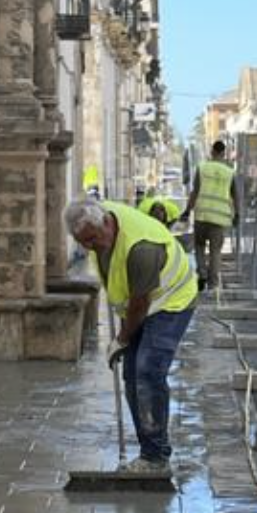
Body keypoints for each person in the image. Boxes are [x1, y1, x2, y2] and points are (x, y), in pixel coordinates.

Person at [65, 198, 198, 472]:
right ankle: (148, 449)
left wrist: (121, 340)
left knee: (148, 370)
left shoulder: (141, 249)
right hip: (143, 305)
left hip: (172, 300)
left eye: (91, 239)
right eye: (83, 242)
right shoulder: (101, 225)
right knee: (131, 376)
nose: (88, 247)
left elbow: (140, 304)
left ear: (105, 224)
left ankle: (156, 456)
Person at [186, 140, 242, 289]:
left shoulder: (202, 168)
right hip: (218, 219)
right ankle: (213, 283)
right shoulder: (230, 173)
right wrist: (237, 215)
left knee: (198, 246)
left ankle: (202, 274)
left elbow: (195, 192)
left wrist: (187, 210)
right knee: (215, 251)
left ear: (212, 152)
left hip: (201, 216)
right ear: (224, 154)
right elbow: (236, 196)